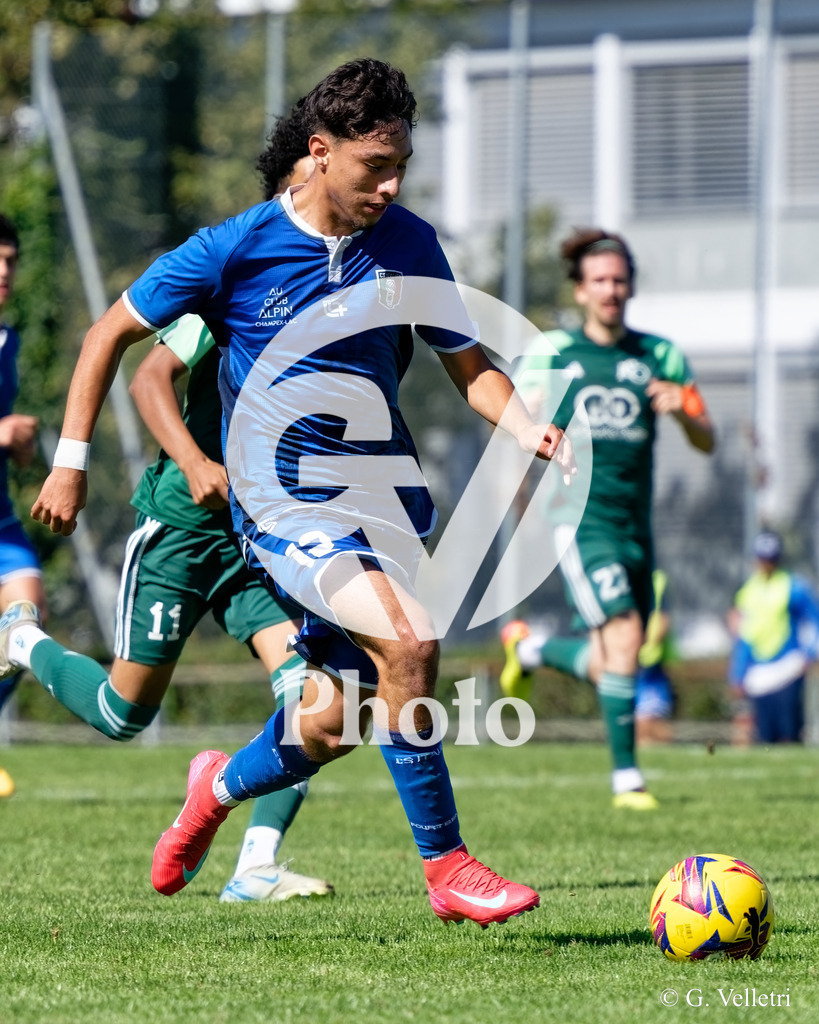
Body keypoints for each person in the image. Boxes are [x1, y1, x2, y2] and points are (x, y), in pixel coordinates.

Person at [24, 59, 572, 927]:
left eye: (401, 167)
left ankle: (214, 788)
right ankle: (447, 868)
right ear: (319, 152)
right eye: (374, 167)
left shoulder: (409, 244)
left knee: (332, 719)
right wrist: (70, 460)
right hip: (282, 508)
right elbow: (108, 336)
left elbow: (469, 368)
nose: (390, 187)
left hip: (382, 504)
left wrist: (525, 424)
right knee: (410, 642)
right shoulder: (234, 248)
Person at [0, 112, 333, 902]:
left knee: (313, 698)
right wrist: (192, 461)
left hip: (263, 535)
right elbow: (149, 377)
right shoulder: (236, 278)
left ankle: (255, 865)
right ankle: (19, 639)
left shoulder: (341, 287)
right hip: (183, 527)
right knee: (123, 716)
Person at [500, 227, 715, 809]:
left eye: (619, 280)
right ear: (580, 290)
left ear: (631, 287)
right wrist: (528, 432)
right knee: (623, 635)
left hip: (635, 526)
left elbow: (706, 440)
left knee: (617, 657)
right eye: (599, 280)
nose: (610, 290)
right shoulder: (553, 352)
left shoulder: (659, 355)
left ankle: (531, 650)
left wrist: (684, 410)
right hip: (578, 518)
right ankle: (628, 782)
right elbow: (520, 422)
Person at [0, 214, 47, 800]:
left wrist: (19, 446)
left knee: (27, 620)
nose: (4, 271)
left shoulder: (7, 339)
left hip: (3, 522)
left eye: (11, 261)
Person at [727, 530, 819, 744]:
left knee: (789, 733)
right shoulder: (748, 591)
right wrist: (738, 673)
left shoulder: (794, 586)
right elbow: (744, 637)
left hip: (788, 667)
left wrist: (810, 652)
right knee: (764, 736)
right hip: (758, 672)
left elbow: (813, 620)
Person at [635, 568, 676, 745]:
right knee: (642, 719)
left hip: (650, 660)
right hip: (635, 658)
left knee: (650, 718)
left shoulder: (657, 581)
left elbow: (664, 620)